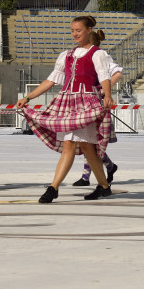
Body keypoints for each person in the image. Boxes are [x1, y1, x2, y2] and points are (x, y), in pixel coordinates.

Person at [17, 16, 113, 203]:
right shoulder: (66, 55)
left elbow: (104, 76)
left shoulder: (97, 54)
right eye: (72, 30)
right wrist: (28, 97)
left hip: (86, 102)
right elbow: (50, 81)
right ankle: (101, 186)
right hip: (67, 102)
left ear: (89, 30)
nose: (74, 34)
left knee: (80, 146)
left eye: (78, 30)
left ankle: (54, 188)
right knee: (82, 147)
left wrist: (107, 95)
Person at [74, 61, 122, 187]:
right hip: (85, 102)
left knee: (91, 141)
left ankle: (87, 176)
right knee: (87, 141)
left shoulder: (99, 57)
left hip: (96, 103)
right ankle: (109, 167)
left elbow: (118, 73)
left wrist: (104, 90)